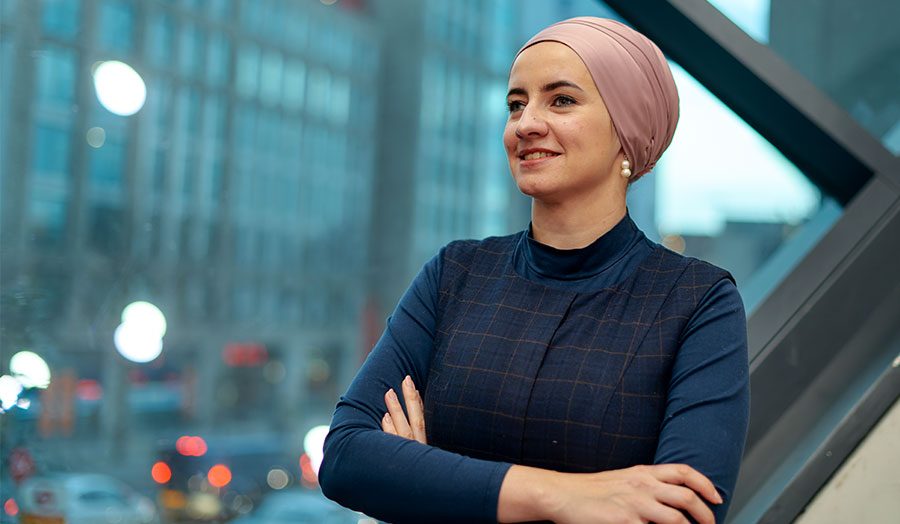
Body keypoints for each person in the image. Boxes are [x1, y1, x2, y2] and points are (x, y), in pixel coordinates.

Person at [319, 17, 749, 524]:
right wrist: (564, 496)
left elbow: (682, 513)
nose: (525, 125)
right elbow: (347, 455)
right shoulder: (455, 274)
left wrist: (425, 480)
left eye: (561, 100)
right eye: (516, 104)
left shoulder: (699, 302)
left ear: (627, 131)